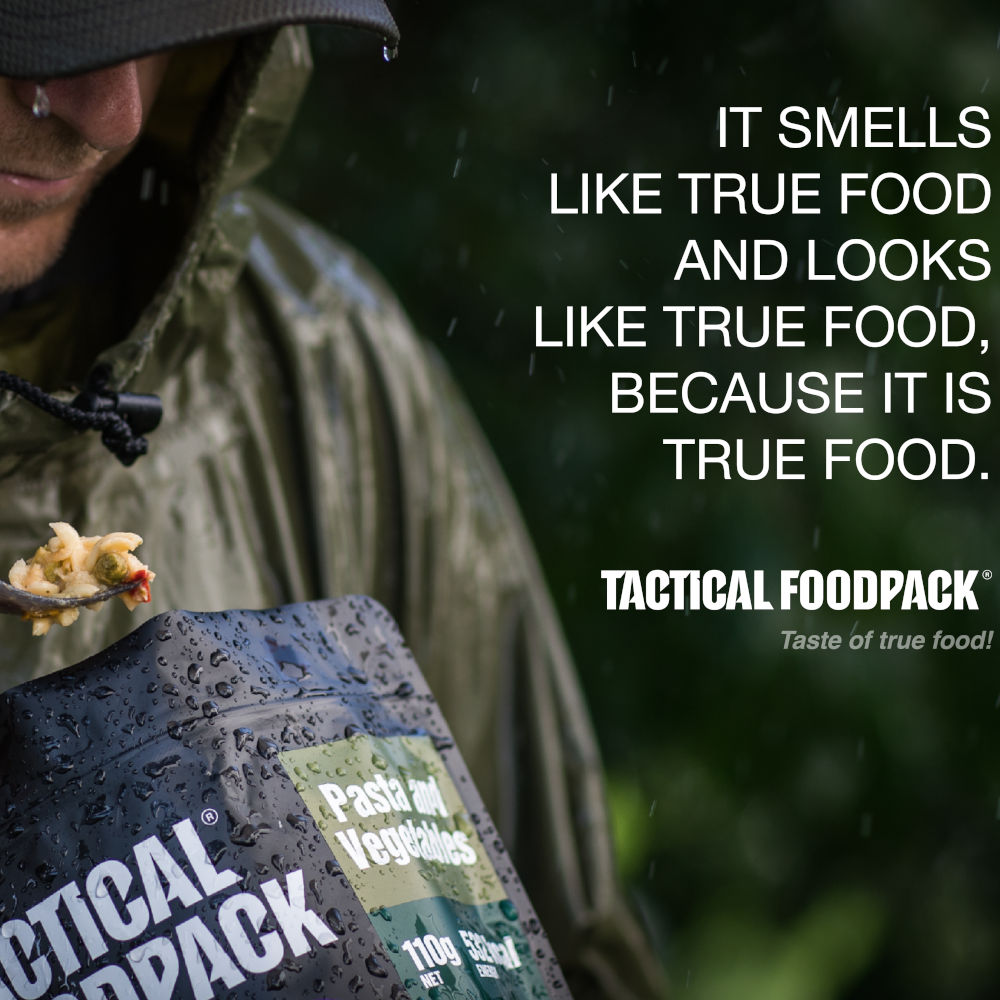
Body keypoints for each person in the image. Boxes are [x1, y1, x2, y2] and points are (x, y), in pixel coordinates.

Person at [0, 2, 665, 997]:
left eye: (154, 25)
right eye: (44, 31)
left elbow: (532, 940)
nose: (112, 112)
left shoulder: (313, 355)